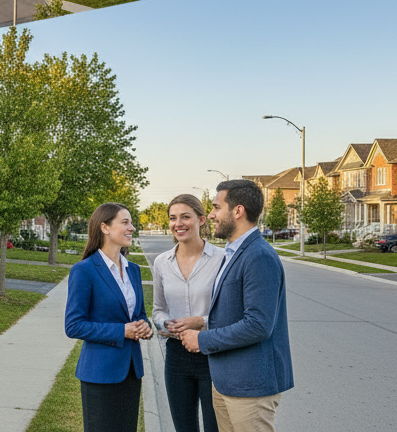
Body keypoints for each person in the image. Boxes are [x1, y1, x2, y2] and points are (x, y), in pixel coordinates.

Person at [180, 179, 293, 432]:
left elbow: (258, 325)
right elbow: (234, 310)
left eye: (216, 207)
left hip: (250, 386)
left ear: (238, 211)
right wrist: (203, 321)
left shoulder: (259, 256)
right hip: (227, 382)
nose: (211, 215)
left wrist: (203, 339)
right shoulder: (234, 252)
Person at [64, 202, 151, 432]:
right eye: (125, 222)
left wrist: (145, 326)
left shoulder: (134, 269)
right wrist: (123, 331)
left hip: (131, 372)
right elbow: (74, 326)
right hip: (99, 374)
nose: (132, 227)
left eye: (131, 223)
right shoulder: (84, 270)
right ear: (104, 227)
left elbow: (139, 313)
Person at [152, 194, 224, 432]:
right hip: (176, 356)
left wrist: (200, 322)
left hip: (212, 353)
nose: (178, 223)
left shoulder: (222, 259)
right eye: (173, 218)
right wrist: (165, 324)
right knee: (183, 427)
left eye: (185, 217)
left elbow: (229, 313)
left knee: (215, 427)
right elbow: (158, 310)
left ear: (202, 220)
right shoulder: (162, 262)